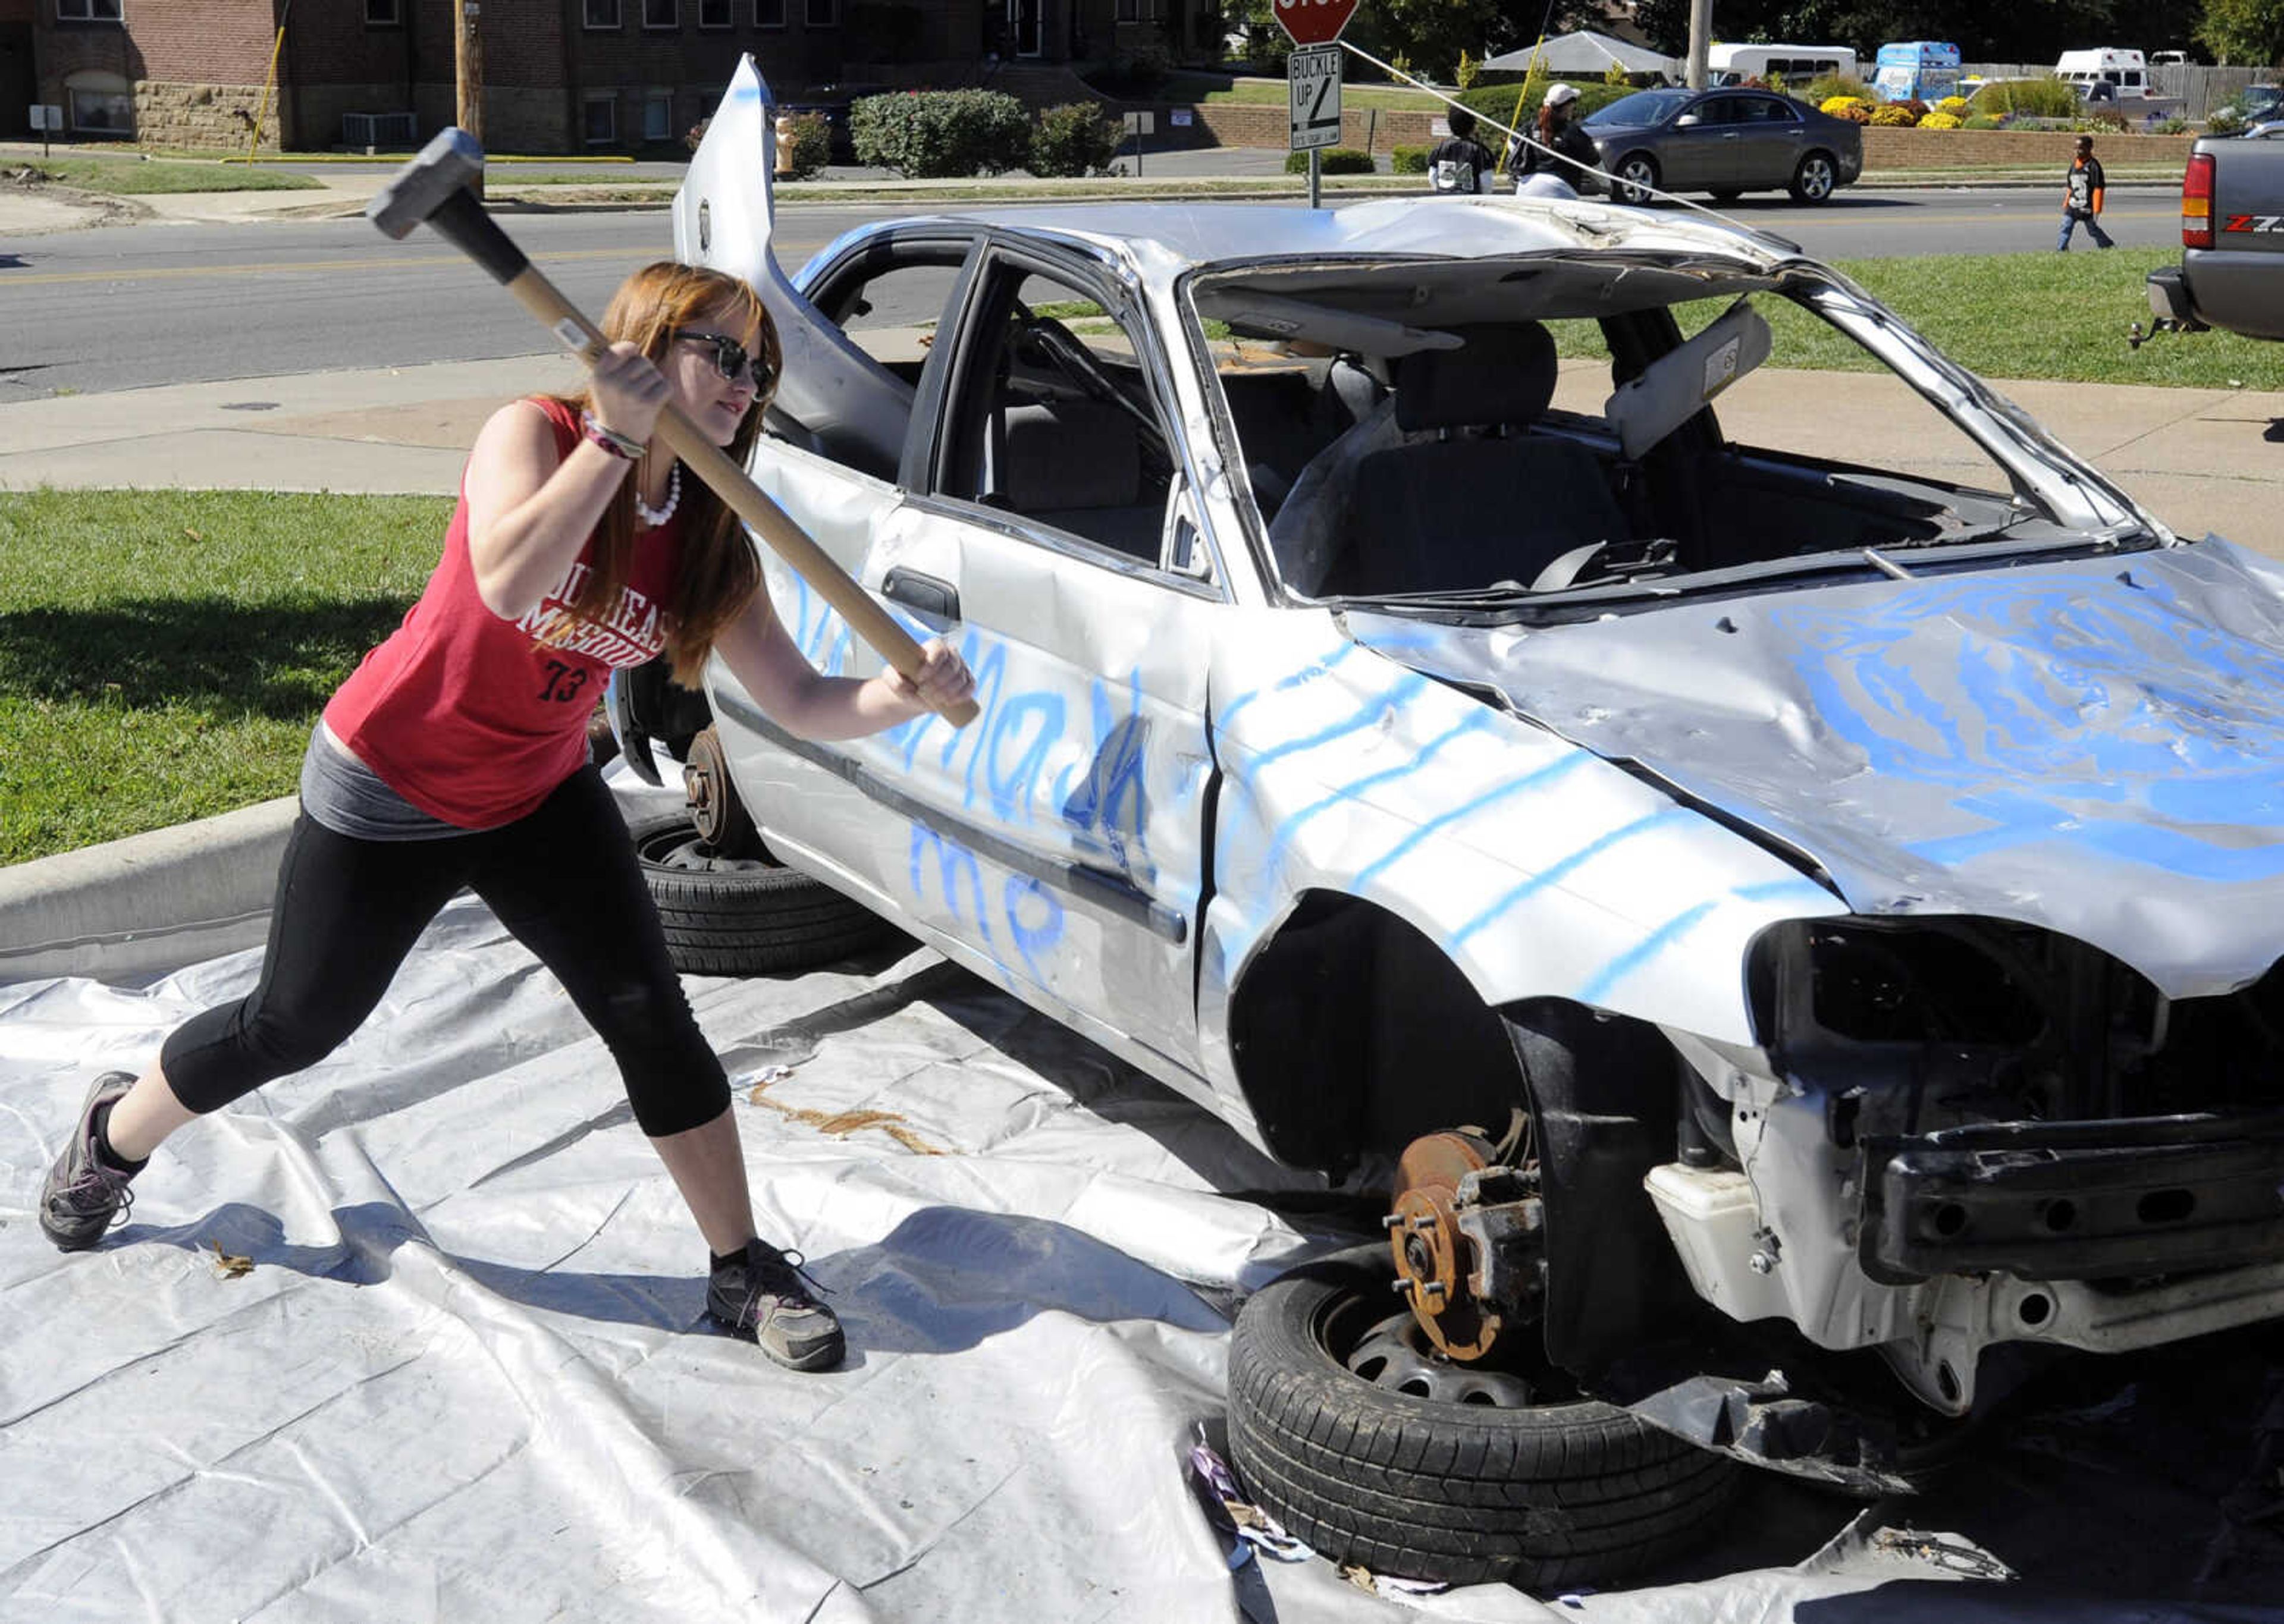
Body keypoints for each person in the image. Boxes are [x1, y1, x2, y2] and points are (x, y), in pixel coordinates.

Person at [36, 260, 975, 1374]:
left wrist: (901, 699)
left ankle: (741, 1266)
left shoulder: (712, 529)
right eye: (721, 351)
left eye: (757, 367)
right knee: (296, 1023)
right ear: (642, 343)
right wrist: (614, 445)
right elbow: (508, 585)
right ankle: (112, 1135)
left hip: (537, 790)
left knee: (648, 1012)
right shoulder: (532, 433)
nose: (743, 380)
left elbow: (803, 698)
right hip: (389, 780)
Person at [1509, 82, 1601, 199]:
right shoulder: (1572, 132)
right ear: (1568, 106)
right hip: (1559, 189)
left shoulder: (1529, 128)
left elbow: (1512, 143)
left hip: (1526, 187)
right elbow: (1595, 162)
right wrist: (1608, 185)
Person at [2059, 134, 2115, 250]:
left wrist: (2097, 210)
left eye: (2080, 148)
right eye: (2075, 148)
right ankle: (2062, 249)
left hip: (2087, 207)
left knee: (2092, 230)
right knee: (2066, 226)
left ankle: (2108, 246)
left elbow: (2098, 189)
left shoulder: (2094, 166)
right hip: (2073, 205)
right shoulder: (2074, 165)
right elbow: (2070, 187)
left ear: (2089, 149)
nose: (2077, 151)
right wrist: (2066, 203)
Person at [1428, 106, 1498, 195]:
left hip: (1445, 200)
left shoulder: (1441, 148)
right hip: (1470, 201)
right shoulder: (1480, 151)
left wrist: (1440, 192)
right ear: (1473, 125)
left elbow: (1432, 177)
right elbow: (1486, 182)